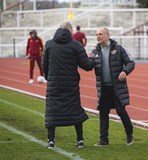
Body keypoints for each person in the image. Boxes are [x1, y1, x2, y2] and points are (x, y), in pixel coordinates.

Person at [41, 21, 94, 149]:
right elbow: (86, 66)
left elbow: (44, 65)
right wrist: (92, 58)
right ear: (70, 31)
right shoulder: (76, 45)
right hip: (71, 85)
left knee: (52, 111)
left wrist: (50, 78)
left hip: (54, 84)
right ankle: (80, 140)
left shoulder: (49, 44)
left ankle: (51, 141)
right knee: (75, 110)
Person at [89, 27, 135, 146]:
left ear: (107, 35)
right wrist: (86, 58)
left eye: (100, 34)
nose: (98, 36)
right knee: (103, 113)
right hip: (103, 88)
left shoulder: (118, 49)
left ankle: (129, 133)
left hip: (117, 87)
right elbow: (88, 66)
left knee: (121, 111)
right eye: (96, 34)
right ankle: (103, 140)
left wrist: (125, 71)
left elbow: (130, 63)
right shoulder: (95, 52)